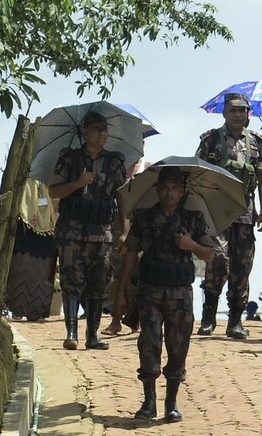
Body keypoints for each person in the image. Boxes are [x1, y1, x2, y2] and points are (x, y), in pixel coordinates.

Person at [116, 166, 216, 422]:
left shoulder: (193, 219)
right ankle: (149, 401)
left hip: (180, 294)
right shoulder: (144, 218)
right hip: (150, 291)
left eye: (175, 188)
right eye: (165, 188)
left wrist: (190, 244)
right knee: (149, 345)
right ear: (157, 190)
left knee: (178, 347)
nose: (169, 193)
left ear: (182, 191)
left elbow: (210, 253)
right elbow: (129, 255)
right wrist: (120, 292)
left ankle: (171, 402)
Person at [49, 111, 128, 350]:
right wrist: (78, 183)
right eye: (96, 129)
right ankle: (71, 333)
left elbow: (122, 197)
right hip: (72, 231)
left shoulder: (115, 163)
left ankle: (92, 335)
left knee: (99, 284)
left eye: (104, 129)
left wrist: (124, 229)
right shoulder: (70, 159)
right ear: (85, 132)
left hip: (101, 233)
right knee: (72, 282)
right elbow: (54, 192)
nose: (101, 134)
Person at [195, 92, 262, 339]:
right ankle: (208, 317)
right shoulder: (210, 140)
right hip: (216, 211)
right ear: (225, 113)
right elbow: (197, 174)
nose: (239, 115)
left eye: (243, 110)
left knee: (242, 266)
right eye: (234, 110)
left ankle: (235, 321)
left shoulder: (257, 143)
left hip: (245, 212)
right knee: (218, 260)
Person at [103, 156, 151, 336]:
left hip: (144, 225)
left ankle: (136, 318)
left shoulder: (148, 169)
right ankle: (116, 319)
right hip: (120, 225)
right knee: (120, 272)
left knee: (141, 274)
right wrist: (124, 231)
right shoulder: (118, 170)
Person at [5, 179, 58, 321]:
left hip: (47, 227)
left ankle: (37, 311)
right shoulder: (23, 177)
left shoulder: (48, 178)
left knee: (42, 271)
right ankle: (17, 310)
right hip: (24, 225)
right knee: (21, 268)